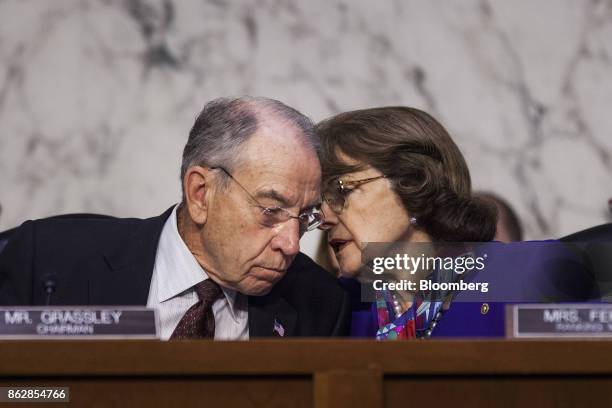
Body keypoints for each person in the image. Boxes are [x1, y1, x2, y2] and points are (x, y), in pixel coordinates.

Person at [0, 97, 350, 339]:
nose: (291, 243)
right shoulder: (50, 260)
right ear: (201, 194)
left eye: (304, 217)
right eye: (271, 210)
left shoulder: (318, 304)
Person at [316, 106, 498, 339]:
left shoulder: (507, 284)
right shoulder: (339, 308)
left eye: (341, 191)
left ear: (414, 183)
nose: (324, 217)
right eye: (321, 200)